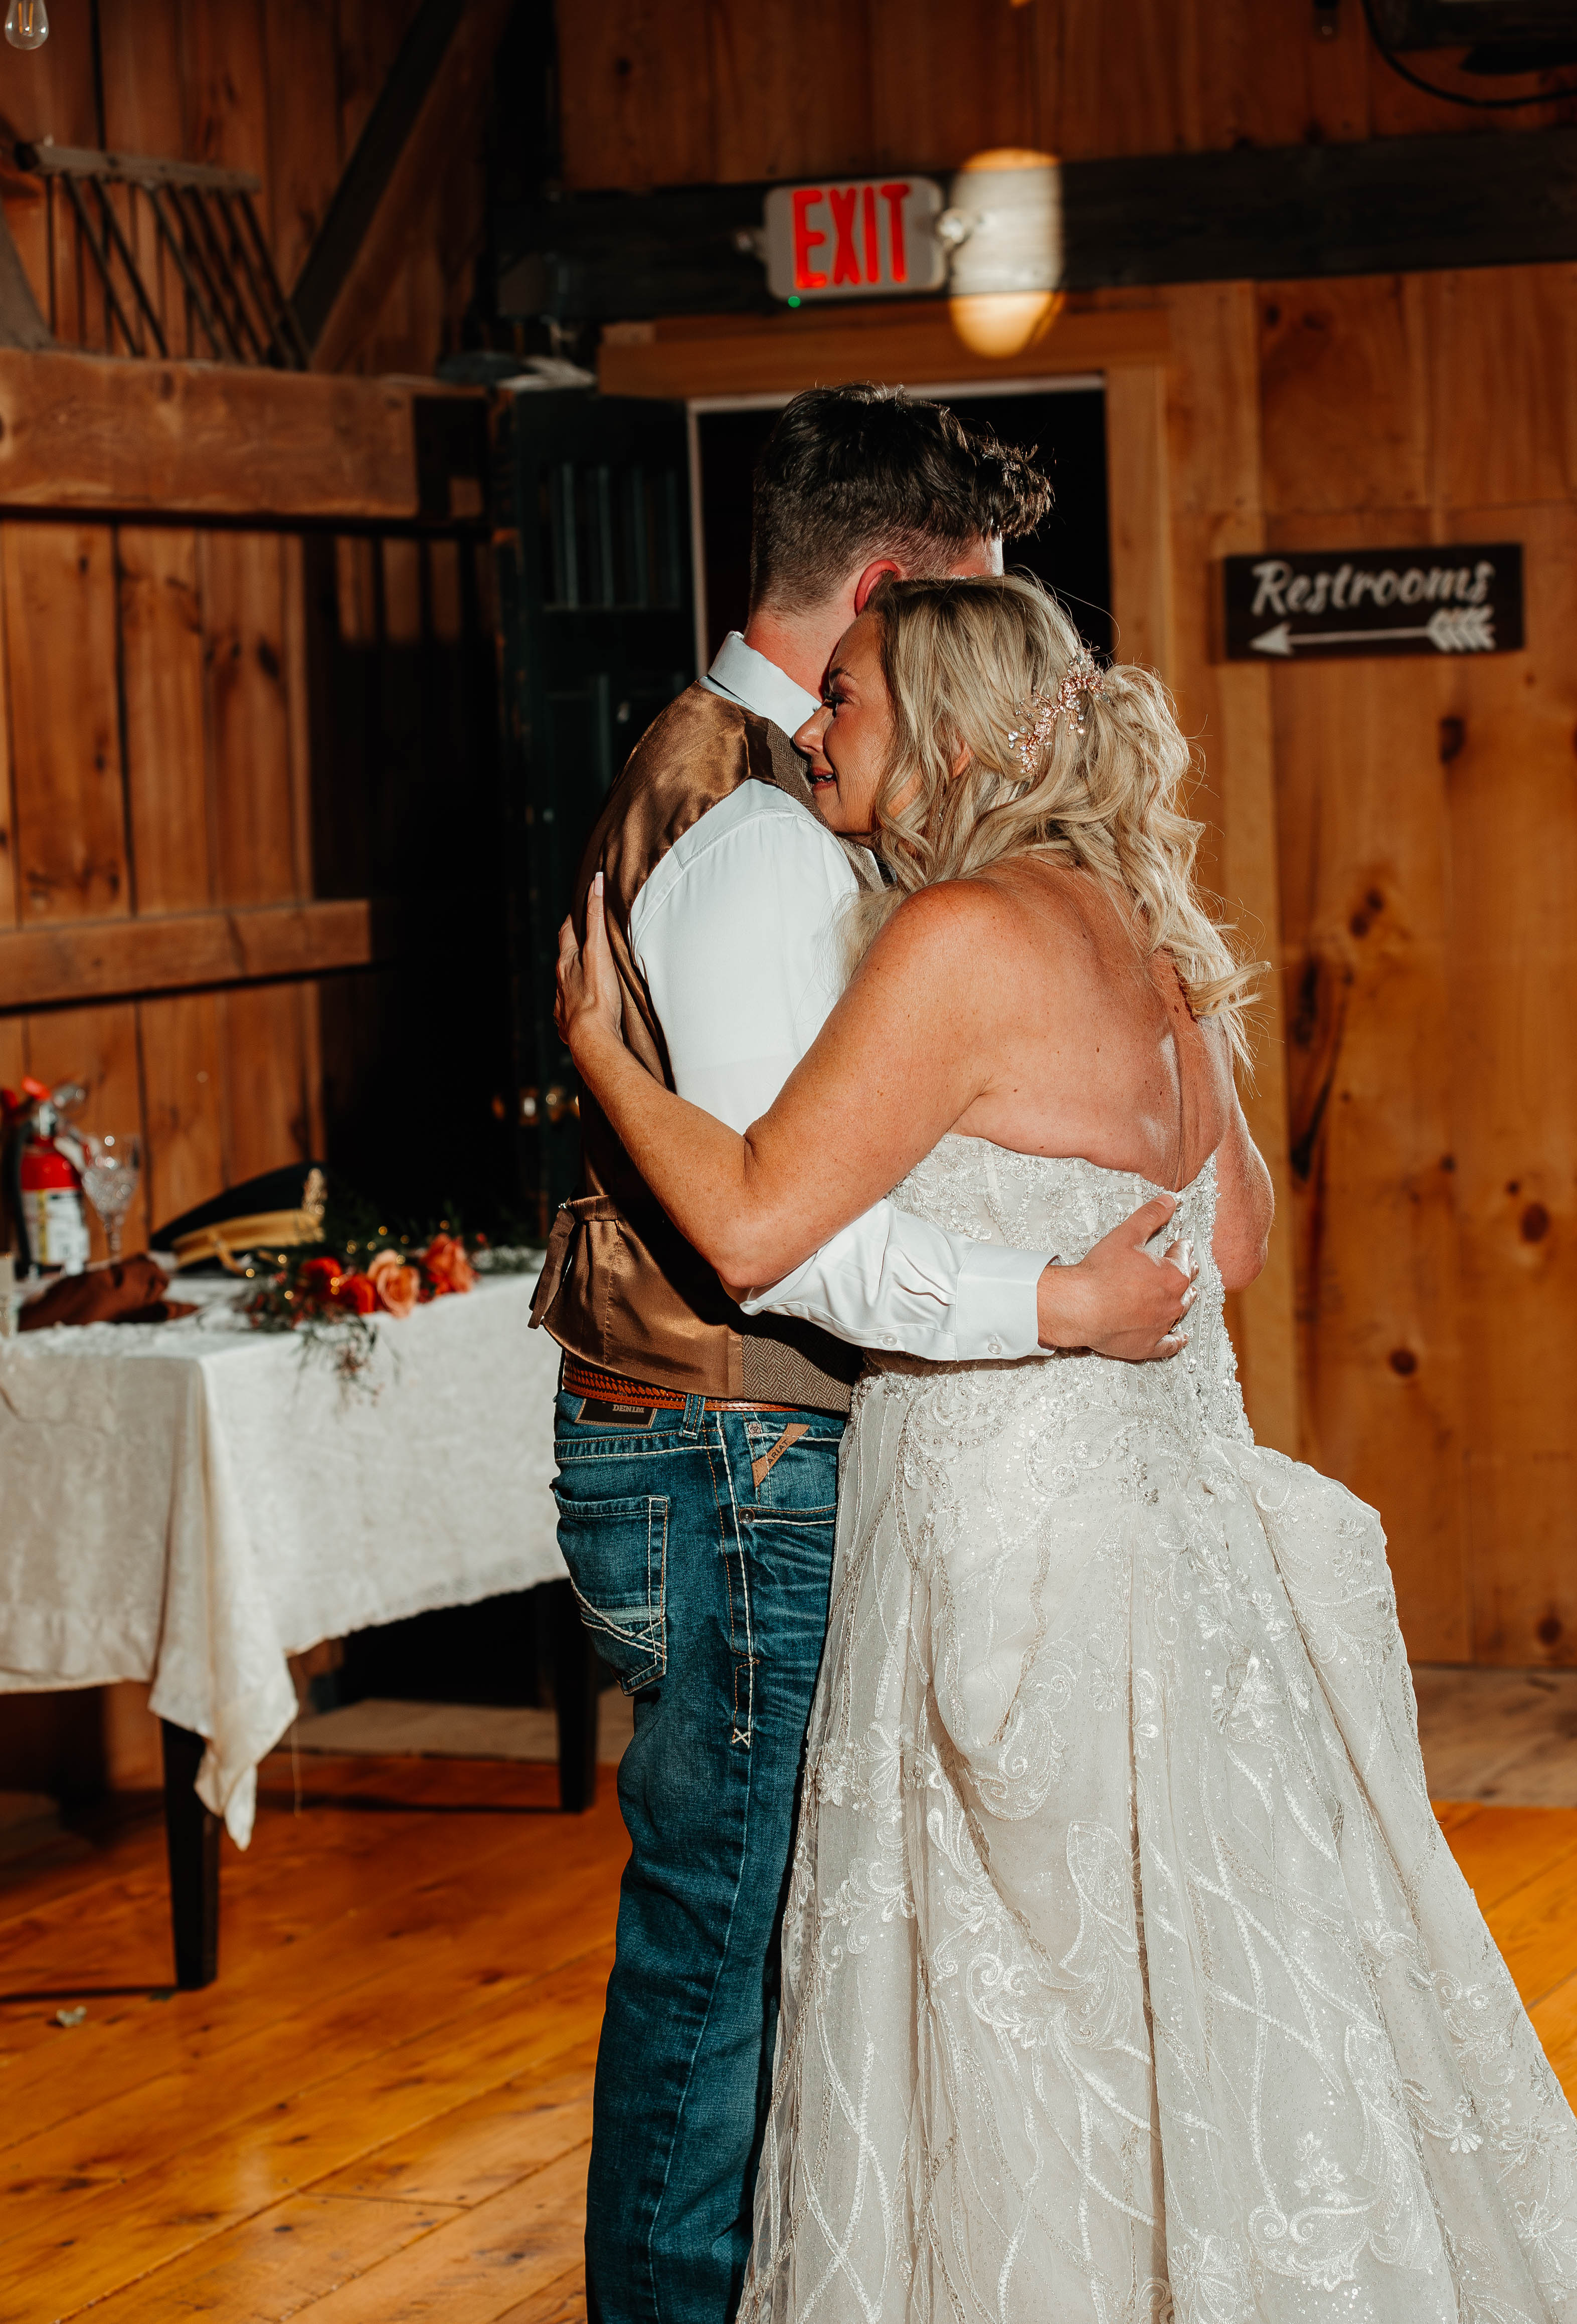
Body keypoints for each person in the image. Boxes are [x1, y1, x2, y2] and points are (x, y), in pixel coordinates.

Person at [554, 574, 1577, 2323]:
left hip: (999, 1520)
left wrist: (605, 1058)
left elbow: (759, 1225)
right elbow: (1229, 1241)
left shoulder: (954, 937)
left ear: (947, 737)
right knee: (1187, 1983)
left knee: (1014, 1999)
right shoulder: (1145, 938)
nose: (818, 727)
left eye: (848, 697)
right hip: (1165, 1533)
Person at [530, 390, 1198, 2324]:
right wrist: (1051, 1304)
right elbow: (790, 1232)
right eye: (971, 608)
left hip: (779, 1447)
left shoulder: (837, 812)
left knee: (796, 1923)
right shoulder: (745, 823)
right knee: (729, 1937)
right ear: (890, 595)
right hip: (735, 1446)